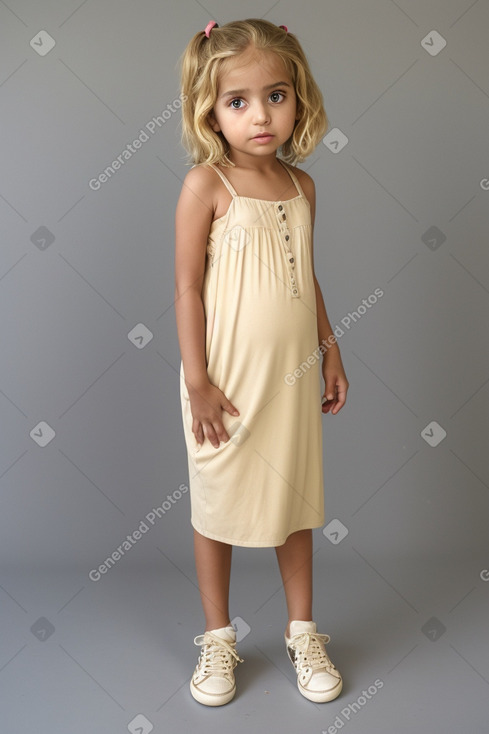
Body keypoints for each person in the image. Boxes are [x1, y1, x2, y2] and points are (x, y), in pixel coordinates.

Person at [174, 18, 349, 707]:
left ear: (298, 97)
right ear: (210, 111)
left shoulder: (302, 189)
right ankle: (218, 638)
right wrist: (197, 381)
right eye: (237, 101)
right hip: (223, 383)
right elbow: (187, 287)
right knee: (217, 503)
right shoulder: (205, 184)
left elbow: (304, 275)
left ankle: (302, 630)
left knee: (294, 501)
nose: (260, 115)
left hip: (291, 380)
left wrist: (331, 346)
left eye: (275, 95)